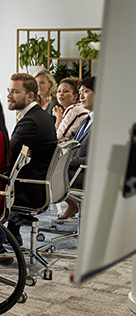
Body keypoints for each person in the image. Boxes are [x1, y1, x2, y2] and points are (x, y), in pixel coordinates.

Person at [5, 73, 58, 242]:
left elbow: (9, 155)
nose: (8, 96)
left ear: (30, 96)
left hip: (29, 189)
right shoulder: (40, 115)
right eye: (9, 91)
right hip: (37, 184)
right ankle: (12, 233)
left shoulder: (31, 122)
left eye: (15, 92)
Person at [59, 76, 96, 220]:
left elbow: (96, 158)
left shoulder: (102, 122)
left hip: (84, 173)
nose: (81, 96)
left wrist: (68, 161)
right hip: (75, 170)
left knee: (41, 171)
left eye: (85, 91)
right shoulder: (87, 120)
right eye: (80, 92)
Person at [53, 77, 88, 142]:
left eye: (65, 91)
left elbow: (57, 138)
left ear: (75, 96)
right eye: (59, 91)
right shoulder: (79, 106)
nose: (61, 94)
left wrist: (59, 117)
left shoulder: (74, 110)